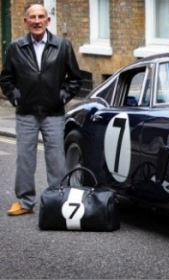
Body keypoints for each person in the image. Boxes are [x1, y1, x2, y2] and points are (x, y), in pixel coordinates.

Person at [0, 4, 82, 216]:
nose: (37, 21)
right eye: (32, 17)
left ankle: (57, 200)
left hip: (53, 112)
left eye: (41, 17)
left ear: (48, 20)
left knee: (56, 159)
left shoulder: (62, 45)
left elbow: (75, 79)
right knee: (25, 159)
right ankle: (26, 202)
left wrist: (61, 97)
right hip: (26, 113)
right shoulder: (16, 47)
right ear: (26, 21)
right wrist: (17, 98)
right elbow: (6, 78)